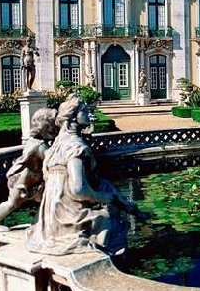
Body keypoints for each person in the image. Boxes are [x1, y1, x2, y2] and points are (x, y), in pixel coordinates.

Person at [26, 95, 131, 255]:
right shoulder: (75, 147)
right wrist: (100, 196)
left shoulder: (55, 145)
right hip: (67, 218)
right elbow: (78, 189)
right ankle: (108, 259)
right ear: (73, 117)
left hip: (51, 218)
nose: (89, 114)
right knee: (110, 219)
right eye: (85, 111)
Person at [0, 108, 58, 231]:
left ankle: (37, 224)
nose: (54, 129)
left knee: (46, 200)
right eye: (52, 126)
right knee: (12, 203)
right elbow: (53, 159)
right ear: (44, 126)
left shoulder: (36, 141)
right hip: (21, 181)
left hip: (33, 180)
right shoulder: (40, 146)